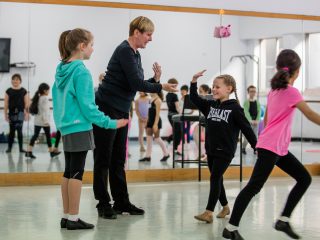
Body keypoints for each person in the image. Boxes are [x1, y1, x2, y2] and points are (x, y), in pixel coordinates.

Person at [222, 49, 319, 240]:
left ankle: (283, 220)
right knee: (253, 187)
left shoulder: (275, 91)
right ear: (297, 71)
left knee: (304, 178)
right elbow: (309, 113)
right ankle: (231, 228)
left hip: (276, 147)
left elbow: (266, 120)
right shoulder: (292, 92)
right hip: (271, 147)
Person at [93, 16, 177, 220]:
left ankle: (121, 201)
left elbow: (134, 83)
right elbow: (136, 83)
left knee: (118, 158)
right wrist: (160, 86)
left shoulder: (135, 54)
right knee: (104, 157)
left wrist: (155, 80)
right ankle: (103, 203)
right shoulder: (124, 50)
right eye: (148, 34)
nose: (150, 39)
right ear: (136, 32)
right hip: (107, 108)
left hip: (121, 109)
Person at [52, 28, 128, 230]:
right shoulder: (81, 71)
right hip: (79, 127)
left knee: (69, 172)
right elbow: (89, 108)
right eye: (92, 45)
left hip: (66, 128)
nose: (93, 49)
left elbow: (59, 102)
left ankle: (67, 216)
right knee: (76, 173)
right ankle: (73, 218)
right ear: (82, 46)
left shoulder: (61, 69)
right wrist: (111, 123)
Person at [190, 70, 257, 224]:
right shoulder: (210, 105)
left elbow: (247, 129)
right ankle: (226, 207)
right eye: (213, 86)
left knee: (215, 177)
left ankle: (208, 212)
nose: (214, 89)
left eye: (217, 87)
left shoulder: (235, 109)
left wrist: (256, 146)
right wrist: (194, 81)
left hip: (225, 151)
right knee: (217, 179)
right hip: (211, 149)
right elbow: (194, 98)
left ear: (229, 89)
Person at [25, 83, 60, 159]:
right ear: (44, 90)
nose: (49, 92)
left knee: (35, 136)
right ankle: (51, 152)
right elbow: (45, 111)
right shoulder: (45, 98)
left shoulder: (39, 97)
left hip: (37, 121)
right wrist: (46, 121)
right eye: (48, 90)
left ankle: (29, 151)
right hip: (44, 122)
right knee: (47, 137)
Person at [139, 92, 170, 162]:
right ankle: (148, 156)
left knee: (157, 139)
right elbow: (148, 112)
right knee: (149, 138)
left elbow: (157, 114)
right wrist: (147, 122)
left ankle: (166, 154)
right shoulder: (150, 99)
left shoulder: (158, 100)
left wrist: (155, 124)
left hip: (156, 121)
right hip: (150, 121)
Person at [4, 73, 29, 153]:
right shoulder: (8, 91)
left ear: (20, 81)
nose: (15, 81)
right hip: (11, 113)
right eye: (14, 79)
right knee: (11, 131)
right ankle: (9, 148)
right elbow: (6, 103)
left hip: (21, 113)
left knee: (20, 131)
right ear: (12, 81)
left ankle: (21, 148)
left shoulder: (23, 91)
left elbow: (26, 103)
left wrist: (26, 113)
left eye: (17, 79)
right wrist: (5, 114)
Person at [192, 84, 211, 161]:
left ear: (206, 92)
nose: (199, 93)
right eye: (198, 91)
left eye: (201, 91)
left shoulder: (210, 99)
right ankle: (201, 153)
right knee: (195, 133)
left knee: (208, 137)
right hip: (203, 120)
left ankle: (208, 155)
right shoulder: (200, 99)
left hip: (210, 121)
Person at [242, 85, 261, 155]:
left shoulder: (257, 102)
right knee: (247, 138)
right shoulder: (246, 102)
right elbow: (246, 112)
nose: (253, 93)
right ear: (248, 92)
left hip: (256, 122)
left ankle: (255, 149)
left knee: (255, 136)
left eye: (254, 91)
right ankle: (243, 148)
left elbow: (259, 111)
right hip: (248, 122)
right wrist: (250, 120)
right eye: (251, 91)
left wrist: (257, 120)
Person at [165, 78, 181, 154]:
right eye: (175, 86)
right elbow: (177, 108)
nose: (176, 87)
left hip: (169, 115)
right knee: (179, 132)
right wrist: (182, 113)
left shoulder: (167, 95)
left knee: (176, 131)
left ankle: (169, 140)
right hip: (175, 116)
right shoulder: (174, 95)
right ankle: (175, 148)